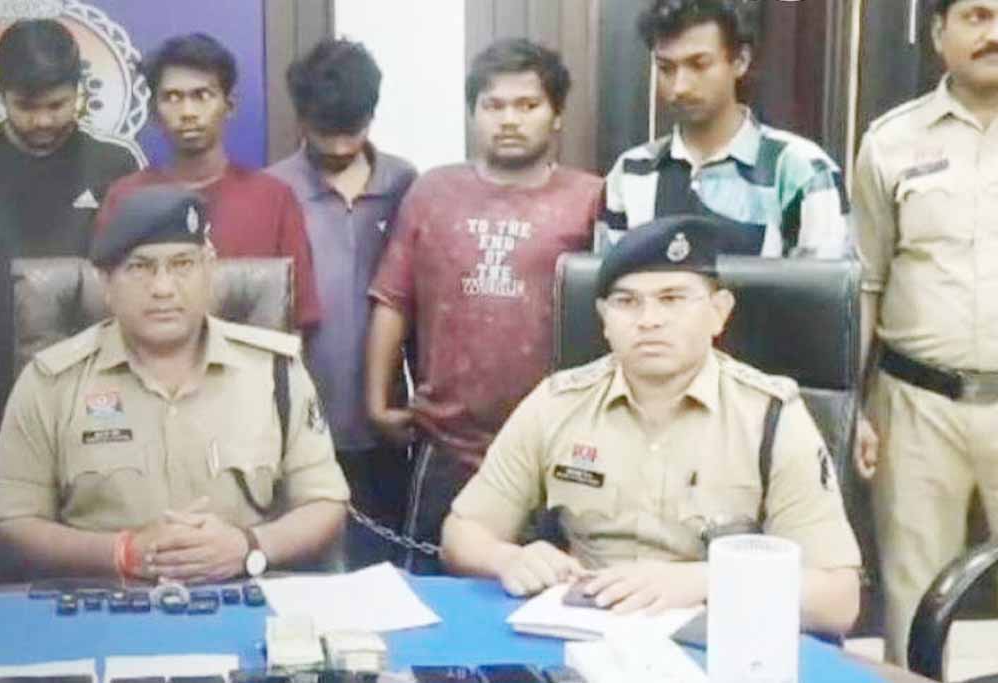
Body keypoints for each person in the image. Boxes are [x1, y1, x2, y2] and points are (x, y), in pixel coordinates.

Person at [441, 216, 861, 636]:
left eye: (672, 299)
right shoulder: (557, 404)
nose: (649, 320)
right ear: (604, 319)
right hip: (581, 631)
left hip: (714, 639)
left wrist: (706, 581)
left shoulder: (770, 415)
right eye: (627, 302)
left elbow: (837, 599)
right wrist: (509, 559)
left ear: (719, 313)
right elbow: (463, 533)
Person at [0, 186, 349, 583]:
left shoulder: (275, 371)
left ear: (209, 271)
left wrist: (248, 547)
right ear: (106, 282)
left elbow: (325, 503)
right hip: (105, 598)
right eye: (140, 267)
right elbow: (14, 520)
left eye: (182, 265)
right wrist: (122, 552)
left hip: (240, 592)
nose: (163, 288)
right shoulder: (51, 382)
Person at [366, 38, 603, 573]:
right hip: (446, 443)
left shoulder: (590, 198)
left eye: (527, 105)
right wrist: (376, 400)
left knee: (549, 593)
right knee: (433, 595)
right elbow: (392, 297)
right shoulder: (432, 192)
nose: (509, 119)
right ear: (473, 113)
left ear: (557, 114)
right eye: (494, 105)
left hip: (556, 446)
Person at [852, 0, 998, 664]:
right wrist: (854, 407)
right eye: (976, 16)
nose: (993, 34)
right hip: (917, 406)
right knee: (914, 601)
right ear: (938, 32)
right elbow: (865, 281)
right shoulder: (891, 141)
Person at [267, 37, 417, 568]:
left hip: (384, 424)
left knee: (383, 572)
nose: (336, 146)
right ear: (300, 118)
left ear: (372, 114)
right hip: (299, 422)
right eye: (322, 132)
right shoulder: (274, 191)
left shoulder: (406, 184)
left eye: (350, 131)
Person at [96, 33, 320, 330]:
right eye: (172, 98)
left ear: (230, 105)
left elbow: (298, 317)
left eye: (202, 96)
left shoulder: (274, 199)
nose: (188, 112)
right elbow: (103, 309)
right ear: (153, 112)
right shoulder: (125, 198)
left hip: (249, 359)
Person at [601, 0, 849, 257]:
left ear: (740, 60)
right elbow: (605, 277)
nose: (680, 87)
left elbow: (823, 280)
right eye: (666, 68)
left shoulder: (800, 170)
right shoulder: (631, 172)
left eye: (699, 64)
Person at [0, 19, 144, 258]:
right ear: (2, 96)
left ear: (78, 92)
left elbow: (138, 260)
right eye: (26, 107)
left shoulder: (116, 164)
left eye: (56, 105)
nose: (43, 121)